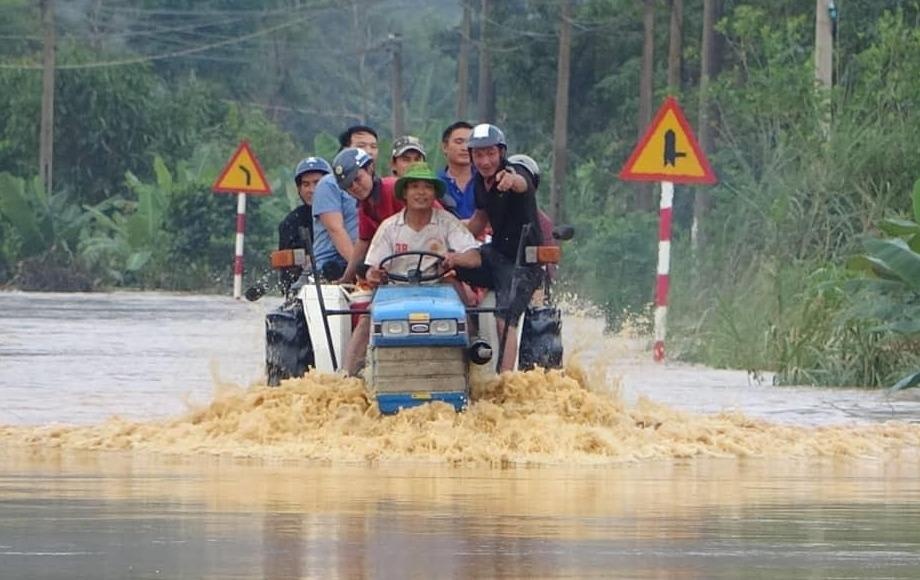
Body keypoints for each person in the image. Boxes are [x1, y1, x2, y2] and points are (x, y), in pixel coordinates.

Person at [340, 162, 480, 377]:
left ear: (435, 193)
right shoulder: (388, 227)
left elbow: (473, 257)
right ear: (405, 192)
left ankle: (474, 368)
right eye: (414, 187)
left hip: (438, 284)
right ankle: (346, 375)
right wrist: (373, 274)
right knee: (368, 319)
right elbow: (370, 267)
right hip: (395, 288)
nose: (421, 193)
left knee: (466, 314)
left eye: (427, 187)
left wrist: (456, 258)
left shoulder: (448, 223)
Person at [464, 123, 544, 372]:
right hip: (496, 254)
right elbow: (479, 221)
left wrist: (511, 181)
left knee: (504, 320)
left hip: (522, 261)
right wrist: (449, 239)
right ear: (471, 157)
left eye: (490, 154)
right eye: (479, 154)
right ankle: (471, 336)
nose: (485, 161)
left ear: (501, 153)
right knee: (450, 267)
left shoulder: (514, 171)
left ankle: (507, 380)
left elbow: (522, 182)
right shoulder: (478, 182)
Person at [339, 135, 428, 284]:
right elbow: (363, 241)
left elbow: (437, 222)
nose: (355, 187)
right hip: (396, 264)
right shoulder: (365, 204)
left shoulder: (393, 189)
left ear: (370, 169)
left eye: (357, 179)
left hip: (422, 258)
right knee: (363, 270)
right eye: (348, 185)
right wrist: (346, 279)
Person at [311, 125, 378, 280]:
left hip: (367, 265)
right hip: (332, 266)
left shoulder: (376, 186)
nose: (368, 151)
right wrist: (358, 272)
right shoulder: (329, 184)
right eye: (361, 146)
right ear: (345, 149)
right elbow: (336, 230)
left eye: (373, 146)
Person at [277, 156, 332, 292]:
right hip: (304, 289)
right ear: (299, 189)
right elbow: (286, 266)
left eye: (317, 183)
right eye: (306, 184)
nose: (311, 189)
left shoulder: (346, 212)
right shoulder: (291, 221)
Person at [437, 121, 476, 219]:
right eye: (459, 142)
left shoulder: (486, 180)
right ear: (445, 147)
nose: (465, 148)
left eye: (469, 142)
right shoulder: (435, 184)